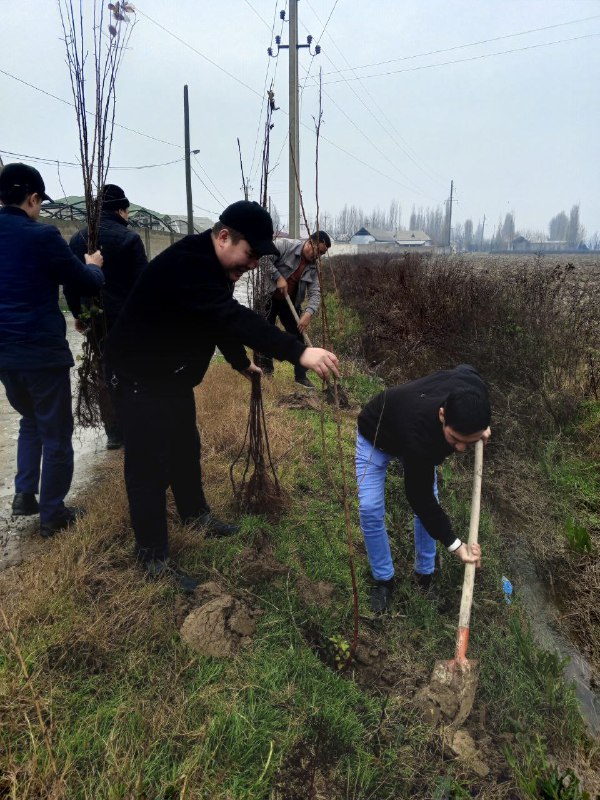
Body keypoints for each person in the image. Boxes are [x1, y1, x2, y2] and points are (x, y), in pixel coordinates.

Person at [106, 200, 339, 592]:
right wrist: (298, 350)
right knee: (149, 466)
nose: (251, 265)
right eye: (249, 255)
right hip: (138, 375)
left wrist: (237, 361)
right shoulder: (190, 265)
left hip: (170, 377)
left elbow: (214, 319)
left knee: (184, 446)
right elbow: (231, 317)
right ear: (224, 236)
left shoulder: (212, 267)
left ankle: (195, 515)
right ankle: (152, 556)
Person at [0, 163, 104, 538]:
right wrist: (93, 265)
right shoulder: (43, 236)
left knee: (30, 419)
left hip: (5, 356)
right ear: (32, 198)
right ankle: (53, 514)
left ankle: (24, 495)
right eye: (39, 202)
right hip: (41, 353)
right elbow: (83, 280)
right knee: (57, 432)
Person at [356, 364, 491, 613]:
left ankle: (424, 575)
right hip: (377, 433)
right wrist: (456, 545)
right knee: (370, 508)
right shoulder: (420, 435)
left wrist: (481, 429)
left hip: (411, 428)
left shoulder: (472, 389)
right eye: (455, 439)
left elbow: (469, 371)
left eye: (468, 441)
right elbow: (419, 497)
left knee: (430, 507)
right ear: (442, 415)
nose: (461, 449)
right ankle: (384, 580)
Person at [66, 184, 148, 450]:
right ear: (122, 210)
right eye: (127, 211)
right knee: (132, 371)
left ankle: (113, 433)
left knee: (104, 371)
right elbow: (142, 285)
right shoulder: (130, 239)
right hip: (127, 321)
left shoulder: (78, 239)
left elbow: (70, 284)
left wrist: (79, 314)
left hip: (96, 320)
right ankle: (135, 426)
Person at [258, 230, 331, 388]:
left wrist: (308, 313)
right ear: (310, 242)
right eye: (319, 251)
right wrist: (278, 277)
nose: (319, 256)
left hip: (289, 303)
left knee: (299, 338)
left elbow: (315, 292)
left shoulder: (313, 267)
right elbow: (263, 258)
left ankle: (301, 376)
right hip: (267, 298)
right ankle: (266, 373)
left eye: (323, 254)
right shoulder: (285, 245)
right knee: (264, 334)